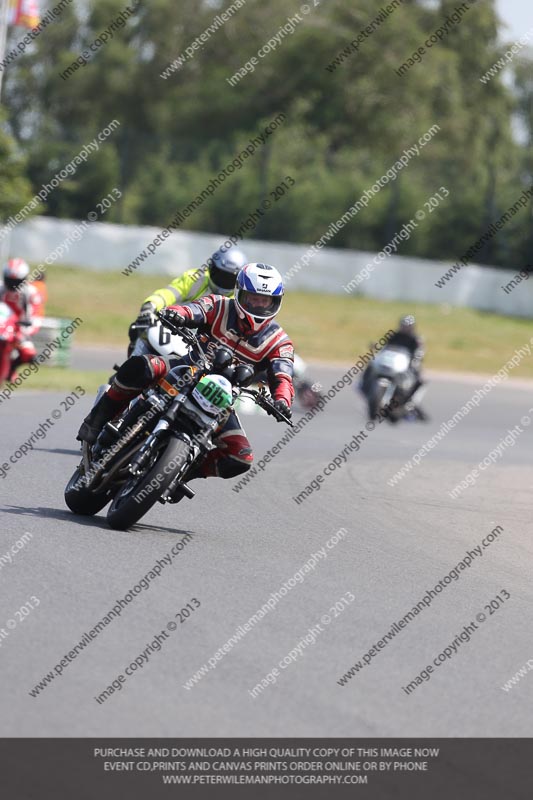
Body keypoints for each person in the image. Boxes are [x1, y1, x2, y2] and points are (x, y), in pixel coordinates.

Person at [77, 263, 294, 480]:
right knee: (141, 366)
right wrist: (177, 314)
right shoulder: (218, 304)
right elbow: (194, 309)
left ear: (275, 302)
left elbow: (283, 375)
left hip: (222, 399)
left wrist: (282, 401)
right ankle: (95, 422)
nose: (258, 305)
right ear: (239, 293)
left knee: (240, 457)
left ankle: (181, 472)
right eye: (252, 298)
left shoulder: (279, 341)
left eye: (264, 301)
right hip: (188, 369)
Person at [128, 245, 248, 353]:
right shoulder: (195, 278)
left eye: (229, 279)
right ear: (211, 268)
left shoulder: (237, 301)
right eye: (220, 275)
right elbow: (168, 293)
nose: (223, 281)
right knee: (137, 329)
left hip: (200, 349)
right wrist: (150, 306)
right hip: (169, 329)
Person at [0, 258, 43, 379]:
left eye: (16, 281)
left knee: (30, 355)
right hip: (1, 325)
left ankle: (11, 369)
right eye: (10, 281)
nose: (13, 285)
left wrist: (28, 327)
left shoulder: (31, 293)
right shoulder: (1, 288)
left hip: (19, 328)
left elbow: (36, 316)